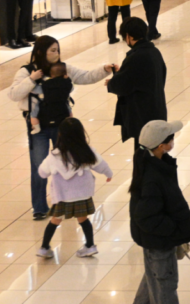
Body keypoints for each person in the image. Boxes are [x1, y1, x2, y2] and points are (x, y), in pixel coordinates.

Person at [9, 37, 113, 219]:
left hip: (61, 124)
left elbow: (84, 76)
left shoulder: (62, 68)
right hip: (37, 126)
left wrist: (104, 69)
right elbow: (14, 94)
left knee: (68, 162)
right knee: (39, 166)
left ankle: (69, 201)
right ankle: (39, 208)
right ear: (40, 52)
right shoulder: (26, 71)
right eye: (52, 50)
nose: (57, 54)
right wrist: (32, 80)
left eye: (57, 50)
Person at [128, 120, 190, 304]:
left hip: (154, 241)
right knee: (165, 288)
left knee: (152, 280)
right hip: (160, 243)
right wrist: (174, 228)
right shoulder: (153, 177)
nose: (173, 140)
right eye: (171, 138)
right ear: (161, 145)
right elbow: (145, 216)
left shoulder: (150, 163)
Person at [35, 117, 112, 258]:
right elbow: (101, 165)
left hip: (62, 195)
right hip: (81, 194)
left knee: (55, 220)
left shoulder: (54, 156)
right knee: (83, 219)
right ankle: (90, 246)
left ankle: (44, 248)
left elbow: (42, 172)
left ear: (60, 135)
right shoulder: (86, 152)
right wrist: (109, 174)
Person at [107, 18, 168, 151]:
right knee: (156, 152)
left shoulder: (136, 57)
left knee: (144, 154)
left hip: (143, 116)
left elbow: (122, 85)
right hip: (157, 109)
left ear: (128, 36)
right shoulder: (154, 52)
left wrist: (111, 82)